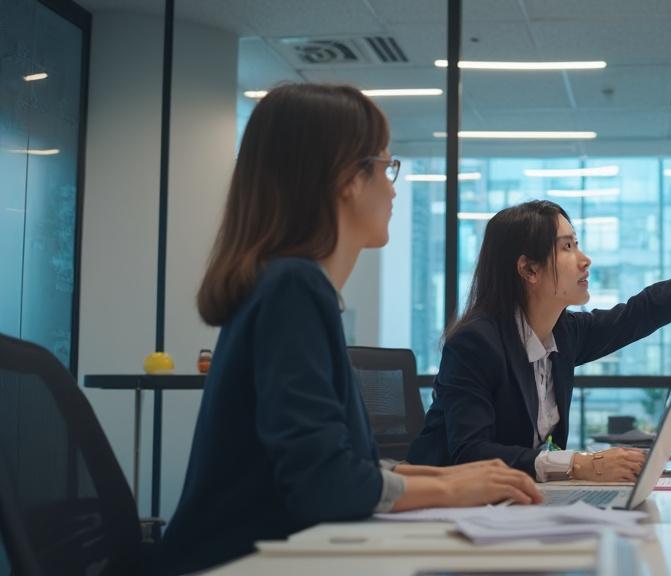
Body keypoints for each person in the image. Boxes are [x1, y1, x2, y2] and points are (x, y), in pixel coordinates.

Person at [160, 84, 541, 576]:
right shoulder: (294, 288)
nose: (393, 185)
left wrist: (453, 474)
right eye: (385, 166)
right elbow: (324, 482)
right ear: (347, 178)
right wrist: (449, 489)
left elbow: (339, 465)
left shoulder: (289, 286)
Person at [407, 200, 671, 483]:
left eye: (576, 244)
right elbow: (470, 453)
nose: (584, 259)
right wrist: (579, 465)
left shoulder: (564, 334)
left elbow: (648, 308)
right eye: (567, 246)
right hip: (447, 515)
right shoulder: (476, 343)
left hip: (517, 507)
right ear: (528, 269)